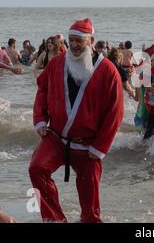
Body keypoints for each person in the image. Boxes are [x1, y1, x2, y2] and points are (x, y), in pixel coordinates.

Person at [29, 19, 124, 223]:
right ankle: (54, 219)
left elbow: (115, 112)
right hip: (56, 136)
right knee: (36, 168)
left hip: (89, 144)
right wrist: (39, 119)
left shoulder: (108, 71)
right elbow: (42, 89)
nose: (73, 45)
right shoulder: (56, 63)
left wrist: (100, 147)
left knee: (91, 211)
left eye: (79, 41)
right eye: (71, 40)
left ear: (91, 41)